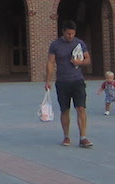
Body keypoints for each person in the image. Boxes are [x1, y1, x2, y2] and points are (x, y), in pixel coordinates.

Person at [45, 20, 92, 148]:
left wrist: (80, 62)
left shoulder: (80, 43)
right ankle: (66, 136)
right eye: (67, 34)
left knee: (81, 108)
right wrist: (48, 80)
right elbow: (50, 62)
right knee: (65, 110)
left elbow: (87, 59)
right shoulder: (55, 45)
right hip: (62, 82)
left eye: (72, 34)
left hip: (77, 81)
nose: (70, 36)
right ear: (63, 32)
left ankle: (83, 137)